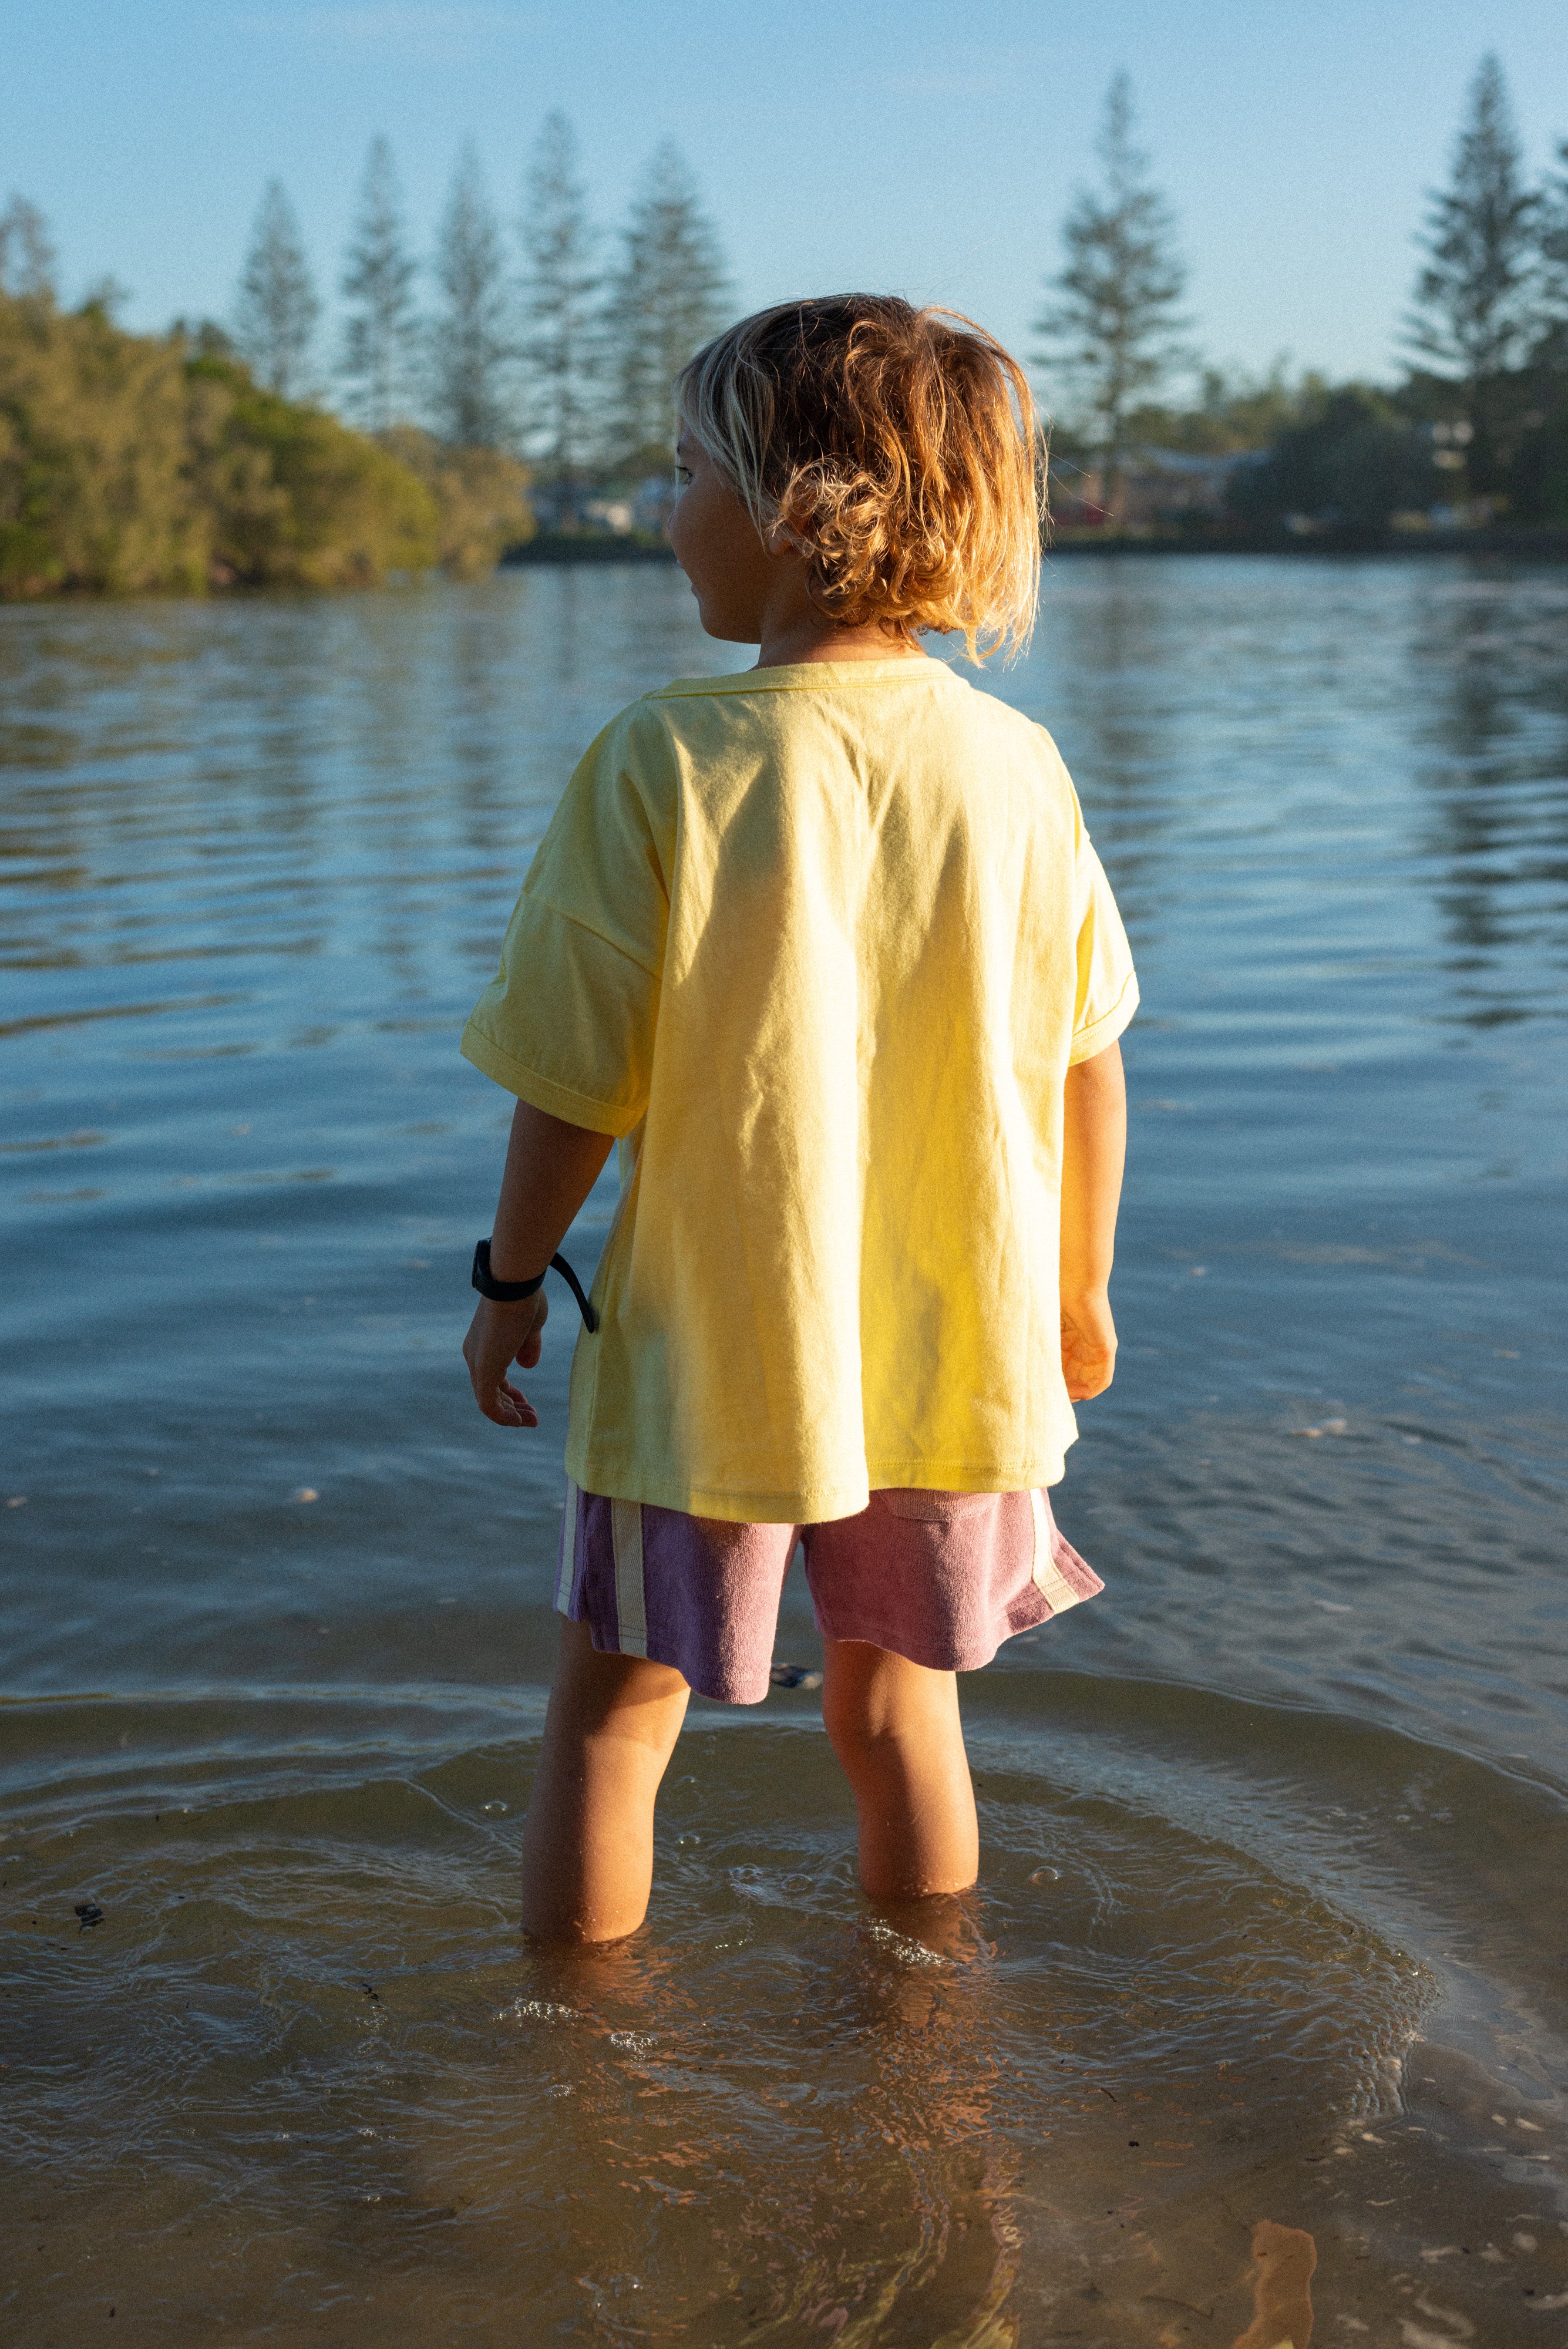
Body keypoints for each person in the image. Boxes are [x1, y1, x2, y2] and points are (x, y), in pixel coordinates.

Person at [459, 296, 1136, 1946]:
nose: (659, 512)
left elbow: (572, 1081)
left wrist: (507, 1281)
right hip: (954, 1347)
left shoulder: (664, 763)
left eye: (684, 469)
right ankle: (922, 2042)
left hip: (713, 1362)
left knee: (612, 1723)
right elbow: (1086, 1059)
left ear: (792, 506)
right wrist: (1075, 1291)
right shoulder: (1015, 765)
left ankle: (577, 2070)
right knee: (901, 1718)